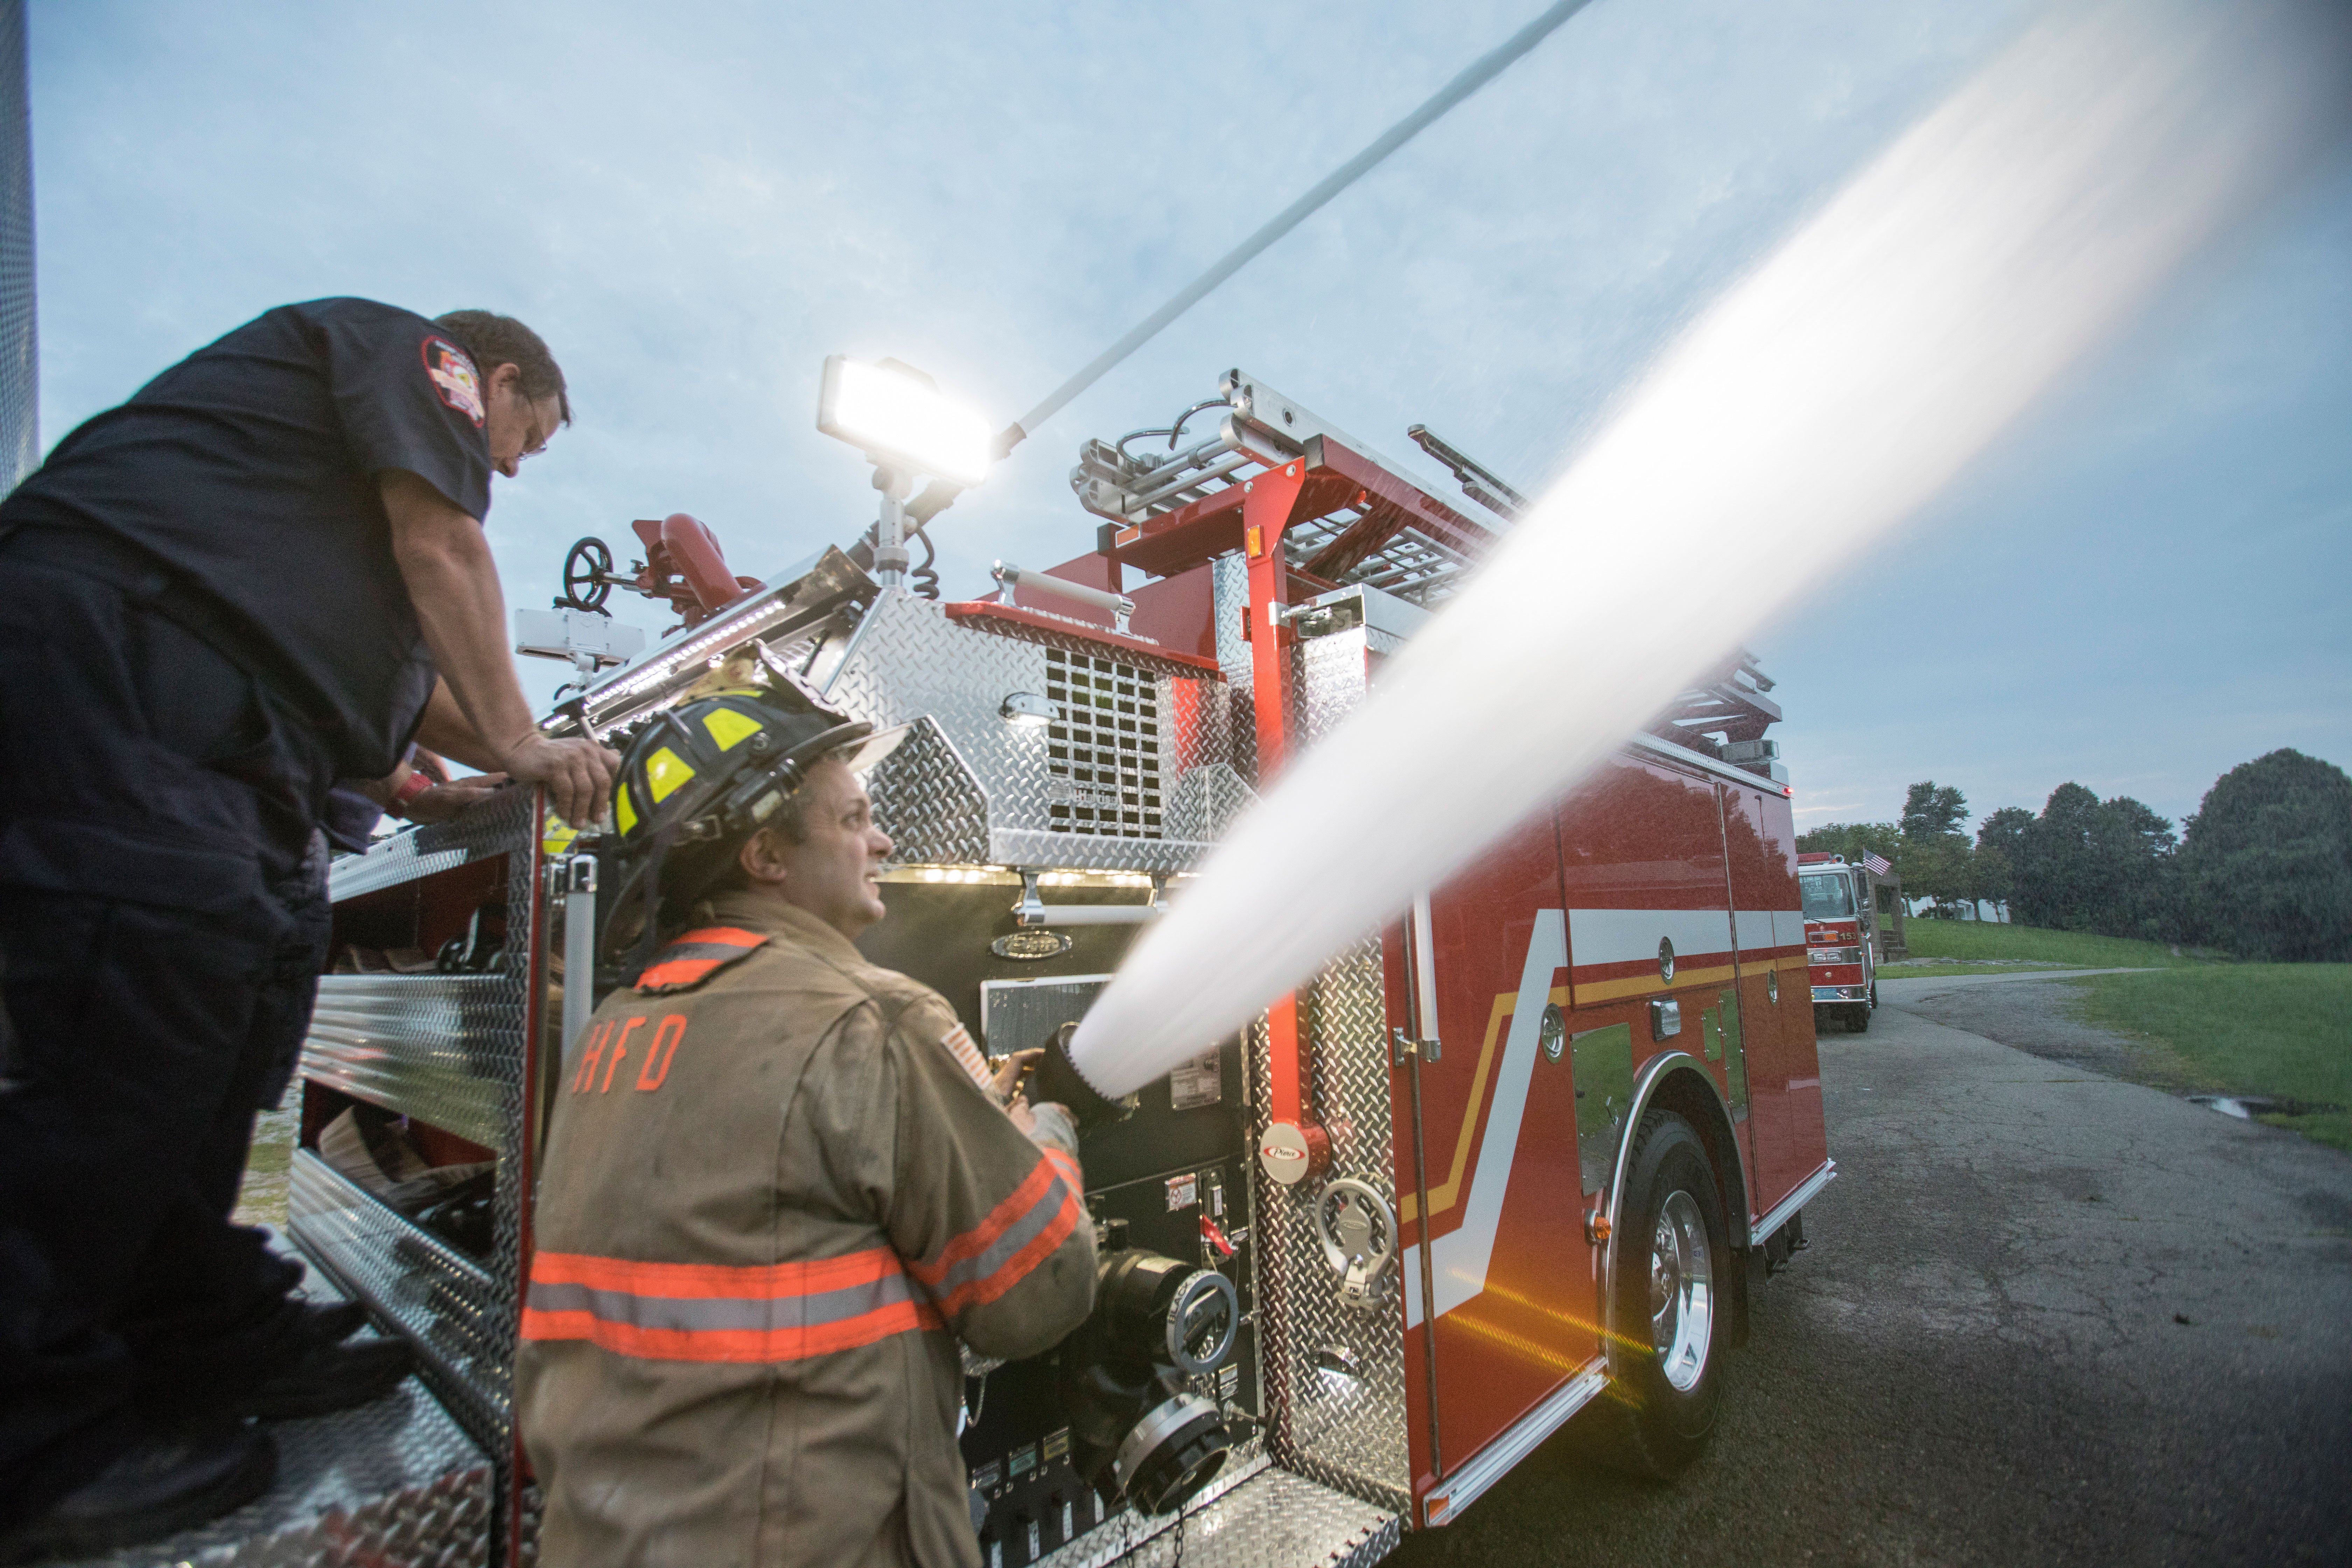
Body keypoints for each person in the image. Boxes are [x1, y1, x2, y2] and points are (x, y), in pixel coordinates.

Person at [0, 299, 622, 1560]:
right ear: (496, 377)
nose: (510, 467)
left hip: (237, 739)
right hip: (128, 667)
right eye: (527, 437)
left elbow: (405, 675)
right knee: (125, 1015)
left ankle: (197, 1329)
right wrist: (520, 737)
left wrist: (424, 770)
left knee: (231, 1022)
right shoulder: (407, 351)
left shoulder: (309, 503)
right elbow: (442, 545)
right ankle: (37, 1434)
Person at [518, 690, 1097, 1568]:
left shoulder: (611, 1030)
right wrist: (1046, 1129)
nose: (884, 841)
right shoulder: (874, 1018)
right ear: (764, 855)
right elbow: (1039, 1291)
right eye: (855, 818)